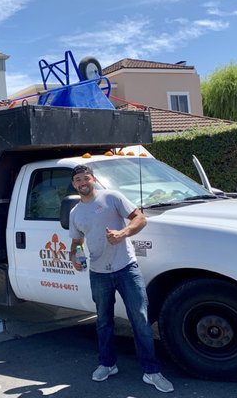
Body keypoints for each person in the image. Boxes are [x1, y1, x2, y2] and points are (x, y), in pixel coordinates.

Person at [68, 164, 174, 393]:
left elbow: (140, 218)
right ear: (74, 184)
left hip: (126, 268)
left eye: (85, 177)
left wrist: (123, 233)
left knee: (140, 320)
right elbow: (77, 242)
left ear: (93, 178)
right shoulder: (75, 213)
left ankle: (151, 371)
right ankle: (107, 364)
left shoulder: (112, 197)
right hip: (98, 273)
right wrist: (75, 257)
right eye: (77, 179)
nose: (82, 182)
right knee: (103, 321)